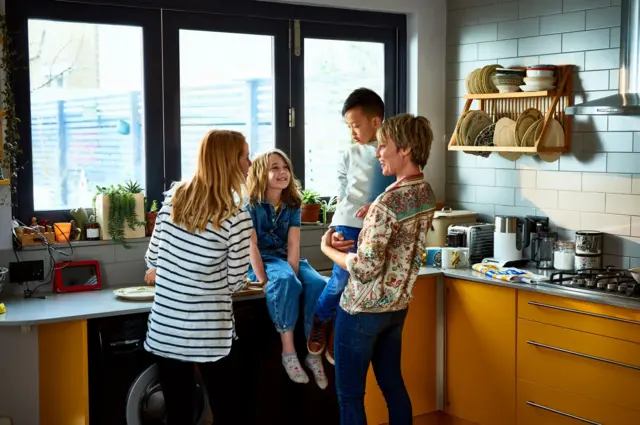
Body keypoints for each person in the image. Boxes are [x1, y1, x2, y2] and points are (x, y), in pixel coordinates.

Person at [320, 114, 436, 425]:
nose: (377, 152)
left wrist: (327, 249)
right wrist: (377, 208)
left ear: (406, 149)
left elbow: (365, 268)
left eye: (383, 145)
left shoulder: (386, 203)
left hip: (361, 311)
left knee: (350, 395)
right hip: (396, 308)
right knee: (393, 385)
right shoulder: (425, 193)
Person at [143, 129, 253, 425]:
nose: (250, 163)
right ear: (229, 162)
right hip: (210, 335)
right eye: (245, 156)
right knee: (230, 411)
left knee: (178, 414)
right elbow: (234, 282)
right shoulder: (237, 215)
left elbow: (152, 258)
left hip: (166, 330)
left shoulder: (173, 200)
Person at [307, 88, 395, 365]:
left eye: (356, 125)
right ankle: (321, 320)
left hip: (376, 227)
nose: (352, 132)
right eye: (349, 126)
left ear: (376, 122)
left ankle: (338, 333)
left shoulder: (392, 151)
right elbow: (343, 187)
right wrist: (343, 213)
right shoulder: (349, 153)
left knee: (360, 288)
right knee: (341, 281)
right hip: (348, 222)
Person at [245, 149, 329, 389]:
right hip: (261, 262)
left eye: (285, 168)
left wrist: (292, 275)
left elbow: (294, 244)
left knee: (319, 284)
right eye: (274, 168)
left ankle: (313, 354)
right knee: (284, 281)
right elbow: (251, 245)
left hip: (287, 260)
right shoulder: (249, 204)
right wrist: (262, 279)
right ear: (261, 173)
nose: (282, 173)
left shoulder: (292, 203)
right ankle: (288, 352)